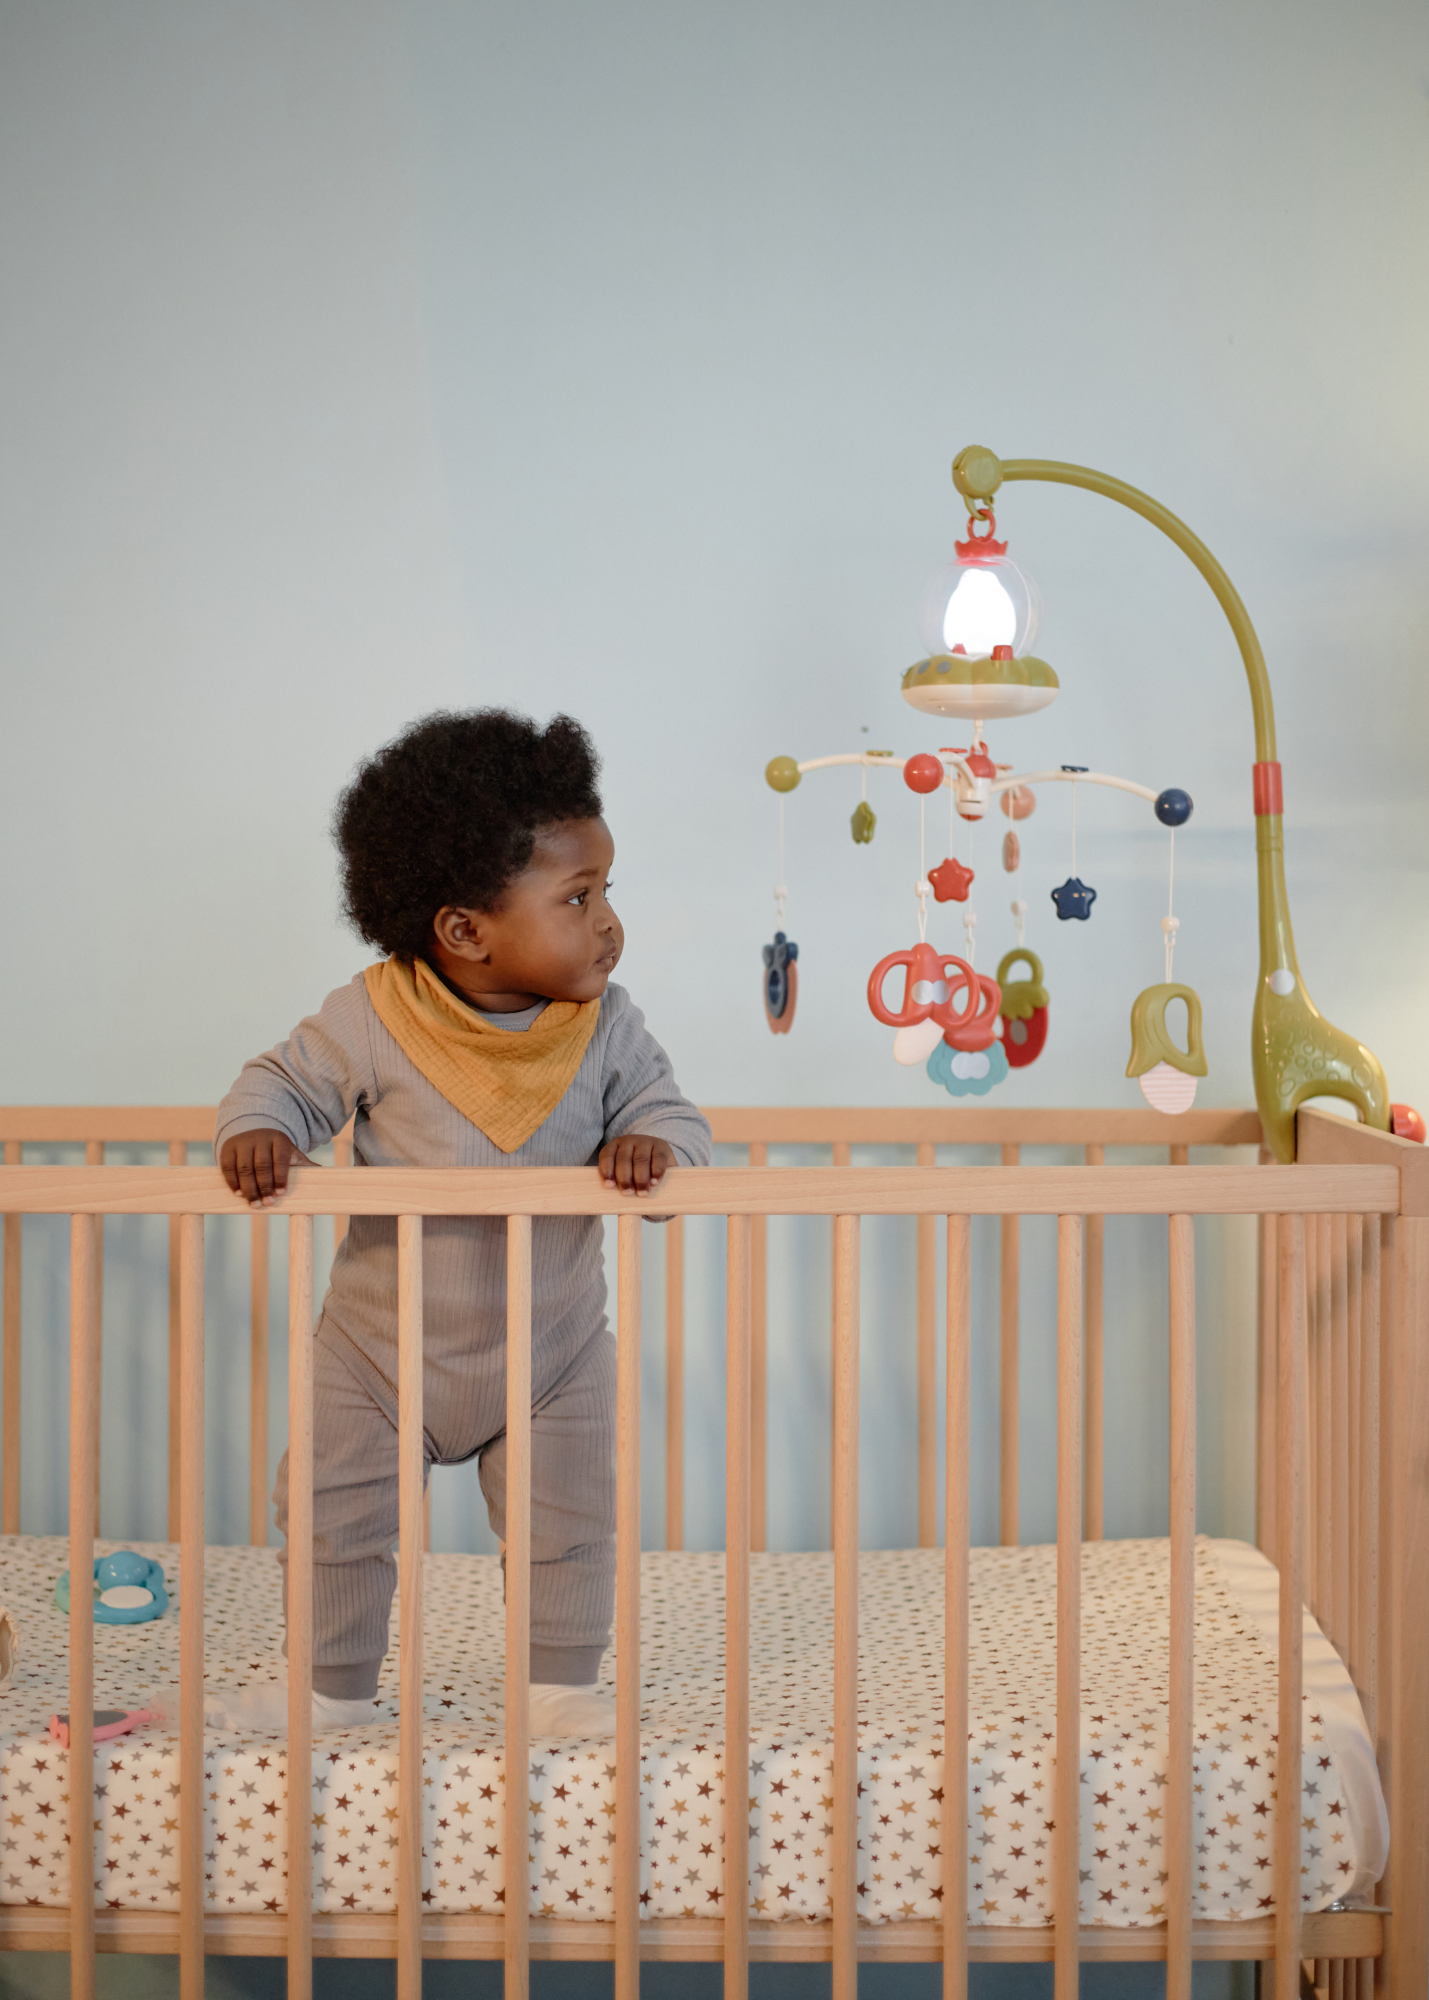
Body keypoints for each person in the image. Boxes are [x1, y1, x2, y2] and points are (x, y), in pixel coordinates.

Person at [211, 708, 711, 1736]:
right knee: (333, 1516)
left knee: (569, 1522)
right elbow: (280, 1081)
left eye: (607, 890)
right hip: (376, 1352)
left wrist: (650, 1146)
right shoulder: (374, 1015)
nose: (608, 922)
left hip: (550, 1351)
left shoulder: (606, 1029)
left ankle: (557, 1686)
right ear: (466, 931)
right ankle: (330, 1689)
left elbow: (673, 1115)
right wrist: (262, 1130)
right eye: (578, 896)